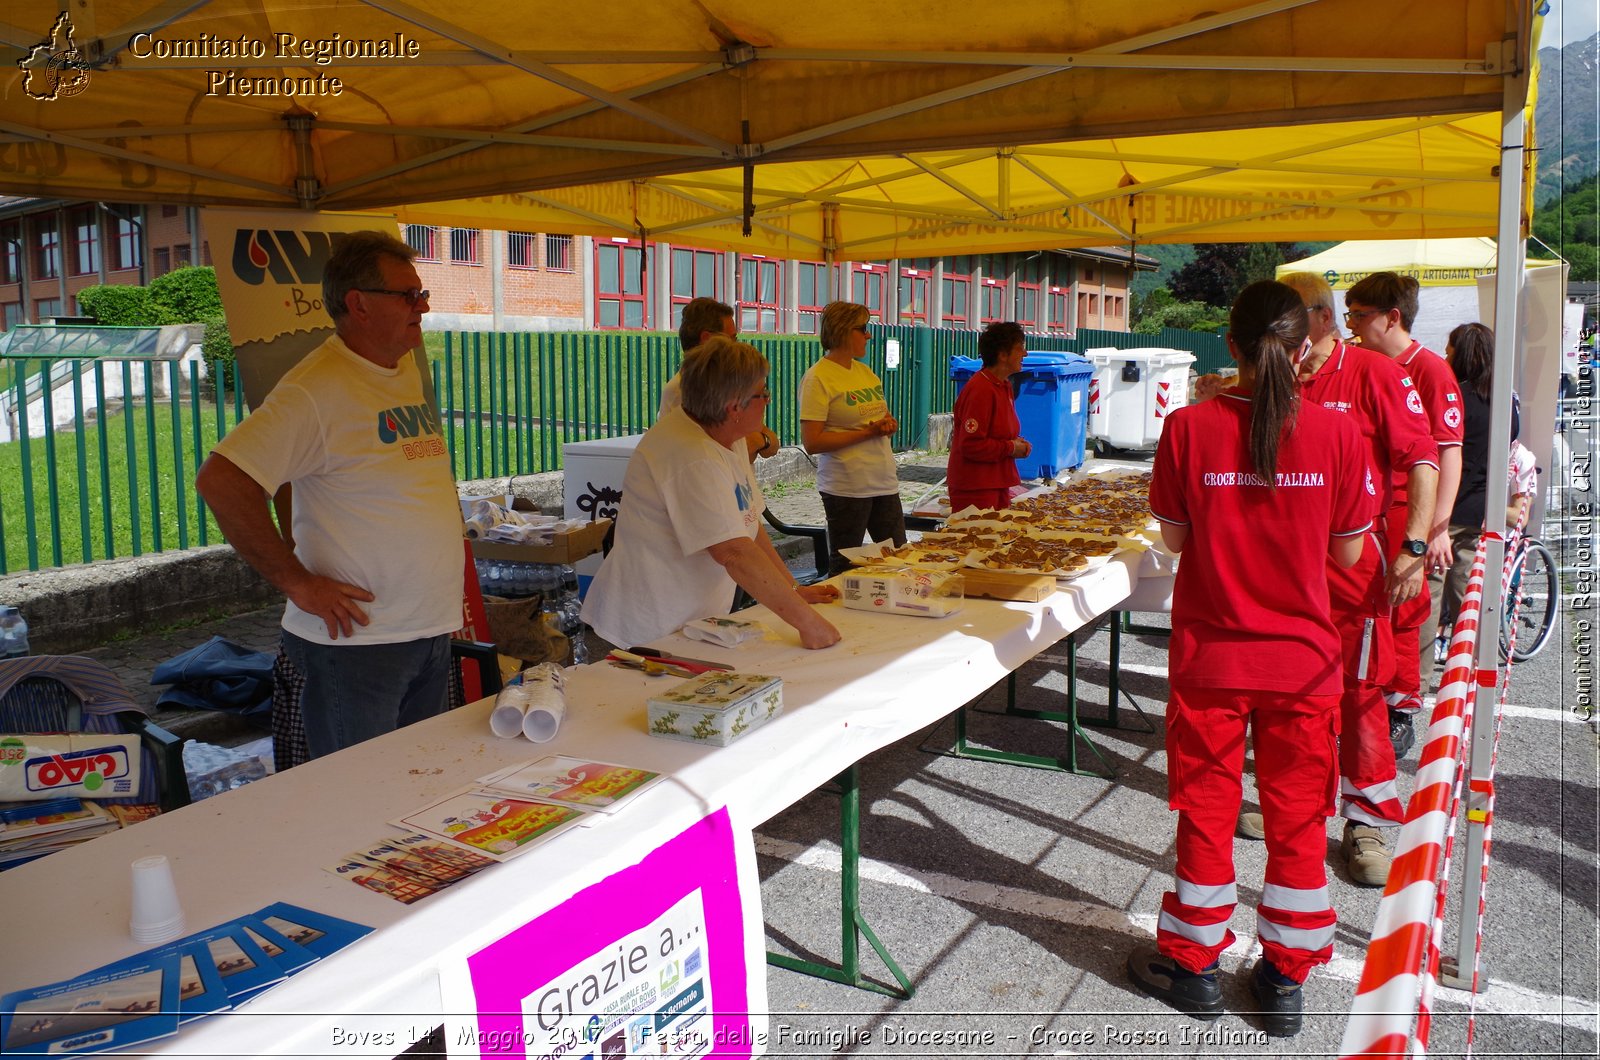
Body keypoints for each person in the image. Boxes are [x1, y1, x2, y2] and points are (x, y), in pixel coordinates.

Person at [1128, 281, 1372, 1038]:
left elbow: (1170, 540)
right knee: (1299, 817)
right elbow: (1352, 548)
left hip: (1211, 660)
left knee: (1206, 811)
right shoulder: (1337, 432)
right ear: (1307, 348)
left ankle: (1196, 964)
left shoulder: (1189, 428)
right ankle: (1284, 978)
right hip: (1302, 662)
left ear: (1228, 347)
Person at [195, 230, 463, 759]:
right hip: (359, 647)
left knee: (418, 785)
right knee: (355, 799)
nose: (423, 307)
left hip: (427, 629)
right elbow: (222, 481)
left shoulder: (401, 365)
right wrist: (299, 582)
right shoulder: (315, 389)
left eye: (423, 293)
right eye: (408, 295)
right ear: (359, 304)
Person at [1237, 272, 1438, 888]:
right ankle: (1299, 804)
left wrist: (1416, 543)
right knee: (1289, 694)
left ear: (1314, 321)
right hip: (1283, 573)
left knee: (1357, 692)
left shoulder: (1374, 374)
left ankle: (1367, 820)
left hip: (1351, 573)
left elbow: (1424, 457)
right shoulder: (1272, 383)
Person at [582, 336, 841, 649]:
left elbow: (748, 523)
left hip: (693, 619)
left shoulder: (727, 434)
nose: (768, 400)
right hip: (652, 625)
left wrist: (794, 590)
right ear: (734, 406)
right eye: (763, 393)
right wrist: (807, 622)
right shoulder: (692, 455)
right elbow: (733, 552)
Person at [1343, 273, 1463, 750]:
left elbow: (1447, 452)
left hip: (1405, 511)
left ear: (1392, 318)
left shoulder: (1429, 369)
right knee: (1365, 614)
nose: (1351, 325)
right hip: (1366, 513)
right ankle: (1360, 703)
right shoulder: (1361, 364)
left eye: (1359, 315)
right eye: (1348, 314)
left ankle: (1400, 709)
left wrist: (1437, 528)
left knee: (1404, 613)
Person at [1419, 323, 1523, 681]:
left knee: (1429, 598)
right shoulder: (1506, 402)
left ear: (1461, 354)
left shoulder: (1454, 398)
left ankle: (1415, 683)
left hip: (1443, 512)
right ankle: (1474, 674)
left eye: (1449, 350)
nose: (1446, 356)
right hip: (1482, 510)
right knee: (1470, 597)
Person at [800, 302, 906, 575]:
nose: (869, 335)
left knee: (898, 559)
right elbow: (813, 443)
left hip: (883, 481)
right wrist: (868, 433)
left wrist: (888, 424)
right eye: (863, 329)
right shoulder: (818, 377)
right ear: (844, 331)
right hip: (846, 486)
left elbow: (882, 415)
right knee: (846, 565)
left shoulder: (864, 371)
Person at [659, 297, 780, 462]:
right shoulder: (683, 391)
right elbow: (739, 451)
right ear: (707, 339)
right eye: (732, 338)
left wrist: (761, 440)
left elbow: (770, 443)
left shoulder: (722, 385)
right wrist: (759, 440)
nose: (735, 345)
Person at [947, 321, 1032, 511]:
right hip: (976, 487)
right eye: (1020, 348)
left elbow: (998, 433)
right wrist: (1011, 447)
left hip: (996, 483)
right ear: (1002, 355)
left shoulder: (1003, 385)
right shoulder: (981, 389)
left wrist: (1017, 444)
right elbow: (971, 445)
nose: (1025, 354)